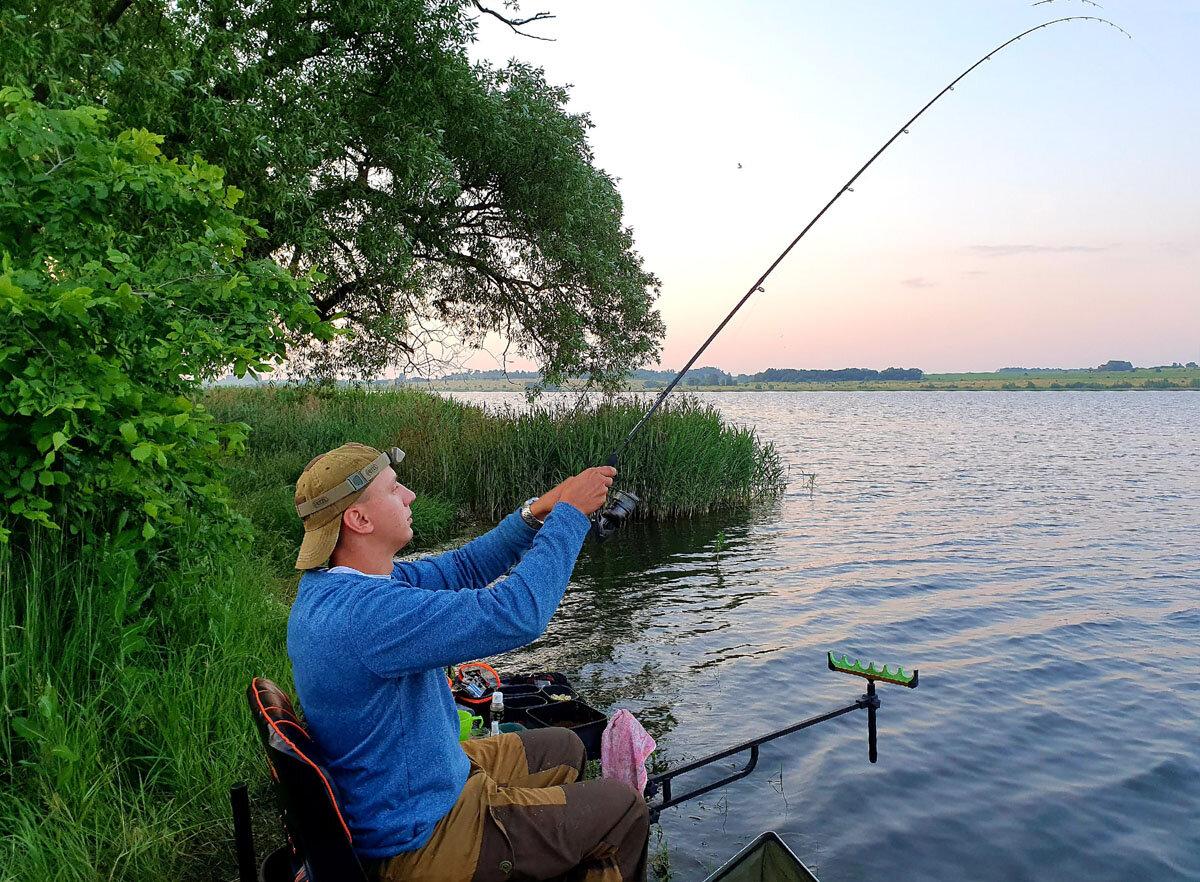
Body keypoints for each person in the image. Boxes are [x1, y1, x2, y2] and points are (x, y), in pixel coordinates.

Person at [287, 442, 649, 882]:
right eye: (394, 488)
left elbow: (461, 568)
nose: (409, 496)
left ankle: (532, 850)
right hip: (420, 837)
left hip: (417, 783)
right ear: (359, 520)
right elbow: (515, 614)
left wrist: (539, 512)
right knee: (625, 810)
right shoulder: (366, 617)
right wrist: (572, 516)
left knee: (566, 747)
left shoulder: (340, 586)